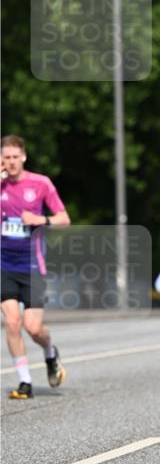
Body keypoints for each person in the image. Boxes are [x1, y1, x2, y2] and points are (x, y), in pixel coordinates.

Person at [1, 134, 70, 399]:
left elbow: (64, 218)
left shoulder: (40, 183)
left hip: (32, 265)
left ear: (24, 157)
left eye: (15, 157)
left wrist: (40, 219)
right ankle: (24, 381)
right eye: (6, 157)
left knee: (33, 328)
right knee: (12, 321)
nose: (11, 162)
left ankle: (50, 352)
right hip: (3, 263)